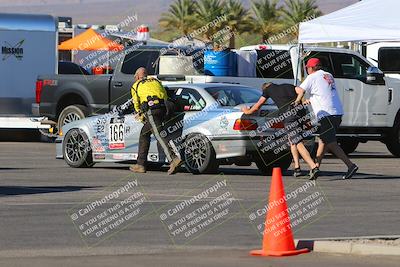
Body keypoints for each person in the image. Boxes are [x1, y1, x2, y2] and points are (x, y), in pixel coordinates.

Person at [294, 58, 358, 179]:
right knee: (323, 141)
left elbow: (301, 90)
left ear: (311, 68)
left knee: (331, 142)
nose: (307, 69)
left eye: (307, 67)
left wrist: (297, 101)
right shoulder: (328, 75)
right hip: (337, 113)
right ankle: (316, 167)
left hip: (326, 114)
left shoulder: (312, 77)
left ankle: (350, 165)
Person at [241, 82, 320, 180]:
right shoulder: (287, 86)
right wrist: (298, 100)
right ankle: (297, 168)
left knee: (297, 141)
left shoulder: (267, 89)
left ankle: (313, 167)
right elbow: (301, 91)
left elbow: (258, 105)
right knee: (292, 141)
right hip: (301, 114)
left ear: (265, 87)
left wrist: (247, 111)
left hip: (289, 116)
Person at [129, 67, 182, 175]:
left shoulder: (136, 85)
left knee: (159, 135)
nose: (135, 78)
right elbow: (165, 95)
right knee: (144, 133)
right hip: (163, 109)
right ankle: (141, 164)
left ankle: (173, 159)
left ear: (138, 76)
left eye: (135, 76)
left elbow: (136, 103)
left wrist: (140, 114)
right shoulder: (156, 81)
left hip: (151, 111)